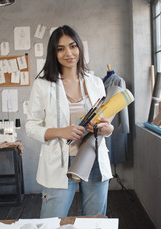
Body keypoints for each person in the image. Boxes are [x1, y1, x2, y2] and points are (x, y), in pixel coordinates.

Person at [26, 25, 114, 218]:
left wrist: (107, 129)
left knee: (95, 225)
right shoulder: (42, 85)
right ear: (53, 53)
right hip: (60, 163)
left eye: (73, 46)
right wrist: (61, 132)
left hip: (94, 159)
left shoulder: (96, 82)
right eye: (61, 48)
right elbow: (31, 126)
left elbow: (106, 123)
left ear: (80, 48)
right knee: (50, 226)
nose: (68, 53)